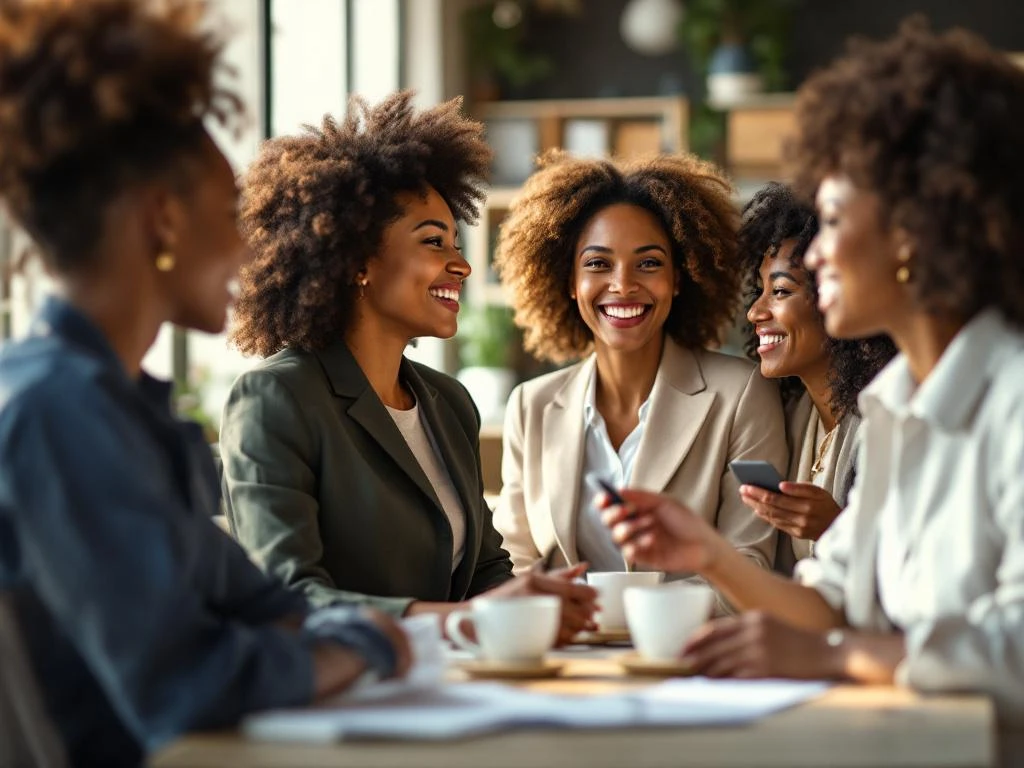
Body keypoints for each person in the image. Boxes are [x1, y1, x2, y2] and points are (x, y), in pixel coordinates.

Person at [0, 1, 409, 765]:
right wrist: (366, 648)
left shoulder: (120, 413)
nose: (251, 247)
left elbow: (260, 607)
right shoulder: (58, 413)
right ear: (162, 221)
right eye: (230, 212)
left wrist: (349, 635)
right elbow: (186, 683)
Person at [602, 18, 1024, 718]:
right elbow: (824, 602)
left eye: (831, 220)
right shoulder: (897, 406)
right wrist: (707, 552)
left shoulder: (1011, 397)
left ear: (914, 229)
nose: (816, 253)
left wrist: (837, 655)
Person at [220, 91, 596, 642]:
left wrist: (536, 605)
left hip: (453, 688)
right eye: (433, 242)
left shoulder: (449, 403)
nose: (462, 264)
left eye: (456, 242)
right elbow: (290, 598)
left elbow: (486, 572)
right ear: (357, 261)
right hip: (347, 695)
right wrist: (466, 622)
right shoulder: (276, 398)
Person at [490, 150, 787, 612]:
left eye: (648, 263)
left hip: (690, 661)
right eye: (597, 264)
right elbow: (514, 562)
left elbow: (750, 567)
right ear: (568, 280)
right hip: (566, 660)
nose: (623, 285)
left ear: (679, 278)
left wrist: (623, 614)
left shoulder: (741, 394)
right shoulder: (530, 405)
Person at [740, 183, 895, 573]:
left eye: (780, 291)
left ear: (835, 293)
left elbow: (921, 576)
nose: (755, 312)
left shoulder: (886, 420)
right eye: (760, 290)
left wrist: (837, 527)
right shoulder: (793, 417)